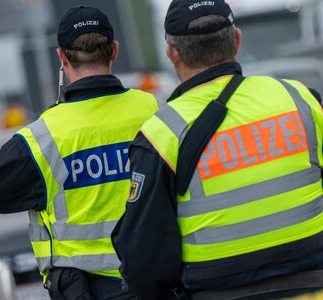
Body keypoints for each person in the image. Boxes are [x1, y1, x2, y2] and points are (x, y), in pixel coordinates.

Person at [0, 6, 158, 299]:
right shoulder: (156, 112)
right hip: (159, 283)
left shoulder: (43, 138)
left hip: (89, 291)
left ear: (62, 57)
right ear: (114, 50)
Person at [112, 1, 323, 299]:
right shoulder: (300, 99)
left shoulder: (161, 134)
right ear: (236, 39)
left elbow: (145, 262)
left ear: (172, 53)